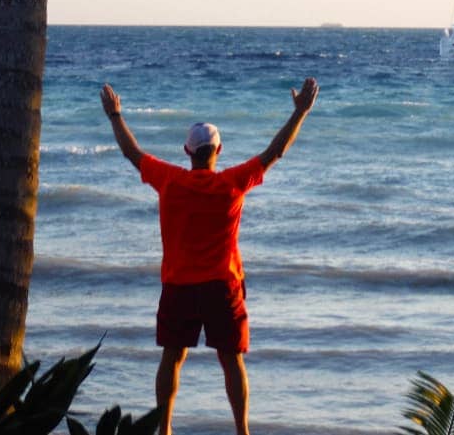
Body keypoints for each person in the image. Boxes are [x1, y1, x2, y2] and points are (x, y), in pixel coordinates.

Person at [100, 77, 319, 435]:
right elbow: (274, 152)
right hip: (223, 284)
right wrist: (300, 114)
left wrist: (115, 115)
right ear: (219, 151)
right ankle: (242, 431)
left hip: (179, 284)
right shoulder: (233, 183)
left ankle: (165, 429)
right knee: (231, 360)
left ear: (187, 152)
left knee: (172, 356)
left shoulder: (169, 180)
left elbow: (132, 153)